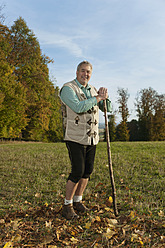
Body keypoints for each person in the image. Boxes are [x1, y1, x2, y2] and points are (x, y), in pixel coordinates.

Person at [60, 61, 112, 220]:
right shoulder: (68, 89)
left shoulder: (93, 89)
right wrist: (97, 98)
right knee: (77, 170)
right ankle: (67, 205)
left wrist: (105, 98)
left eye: (88, 72)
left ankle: (78, 201)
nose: (86, 74)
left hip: (92, 137)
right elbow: (78, 107)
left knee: (87, 170)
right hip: (74, 136)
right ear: (77, 72)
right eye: (83, 71)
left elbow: (107, 109)